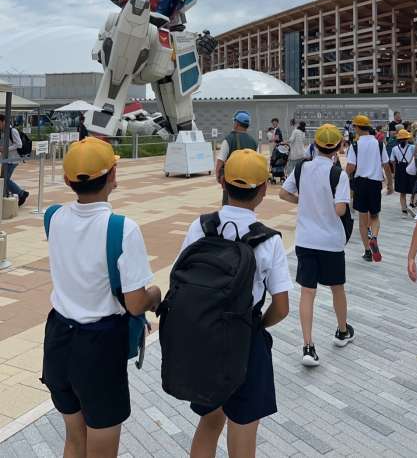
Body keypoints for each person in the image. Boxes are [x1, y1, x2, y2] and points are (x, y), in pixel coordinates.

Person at [41, 136, 161, 458]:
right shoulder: (122, 229)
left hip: (57, 341)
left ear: (67, 180)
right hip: (99, 350)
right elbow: (135, 303)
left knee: (74, 440)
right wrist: (155, 294)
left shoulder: (52, 217)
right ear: (113, 175)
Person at [183, 149, 291, 458]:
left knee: (209, 422)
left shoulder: (200, 226)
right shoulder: (269, 241)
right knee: (243, 428)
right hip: (246, 340)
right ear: (263, 189)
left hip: (206, 338)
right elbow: (281, 307)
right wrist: (258, 325)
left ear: (222, 182)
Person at [280, 124, 354, 367]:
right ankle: (342, 331)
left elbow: (283, 194)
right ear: (339, 147)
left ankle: (308, 347)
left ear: (315, 144)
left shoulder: (302, 168)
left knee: (307, 292)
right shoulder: (338, 174)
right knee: (337, 288)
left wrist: (304, 202)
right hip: (331, 241)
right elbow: (340, 209)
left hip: (305, 240)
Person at [346, 114, 393, 263]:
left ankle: (367, 251)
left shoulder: (355, 145)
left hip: (360, 183)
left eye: (354, 126)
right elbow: (386, 165)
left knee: (362, 219)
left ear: (358, 127)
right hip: (375, 183)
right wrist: (390, 184)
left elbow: (351, 166)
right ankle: (374, 237)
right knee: (374, 216)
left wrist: (342, 177)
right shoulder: (379, 144)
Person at [216, 111, 258, 205]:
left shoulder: (229, 139)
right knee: (245, 205)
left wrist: (218, 176)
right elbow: (256, 162)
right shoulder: (254, 142)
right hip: (248, 181)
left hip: (231, 181)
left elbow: (220, 160)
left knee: (229, 205)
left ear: (236, 123)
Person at [0, 115, 29, 207]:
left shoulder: (13, 131)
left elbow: (19, 144)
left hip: (13, 159)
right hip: (6, 159)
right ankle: (11, 194)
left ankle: (21, 193)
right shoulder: (3, 132)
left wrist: (6, 149)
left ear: (3, 121)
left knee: (5, 180)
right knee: (3, 179)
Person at [390, 129, 415, 216]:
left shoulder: (394, 148)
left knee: (402, 191)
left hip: (400, 168)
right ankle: (411, 205)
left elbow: (392, 161)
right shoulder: (412, 147)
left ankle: (404, 210)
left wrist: (394, 172)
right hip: (410, 168)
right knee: (413, 189)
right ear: (407, 139)